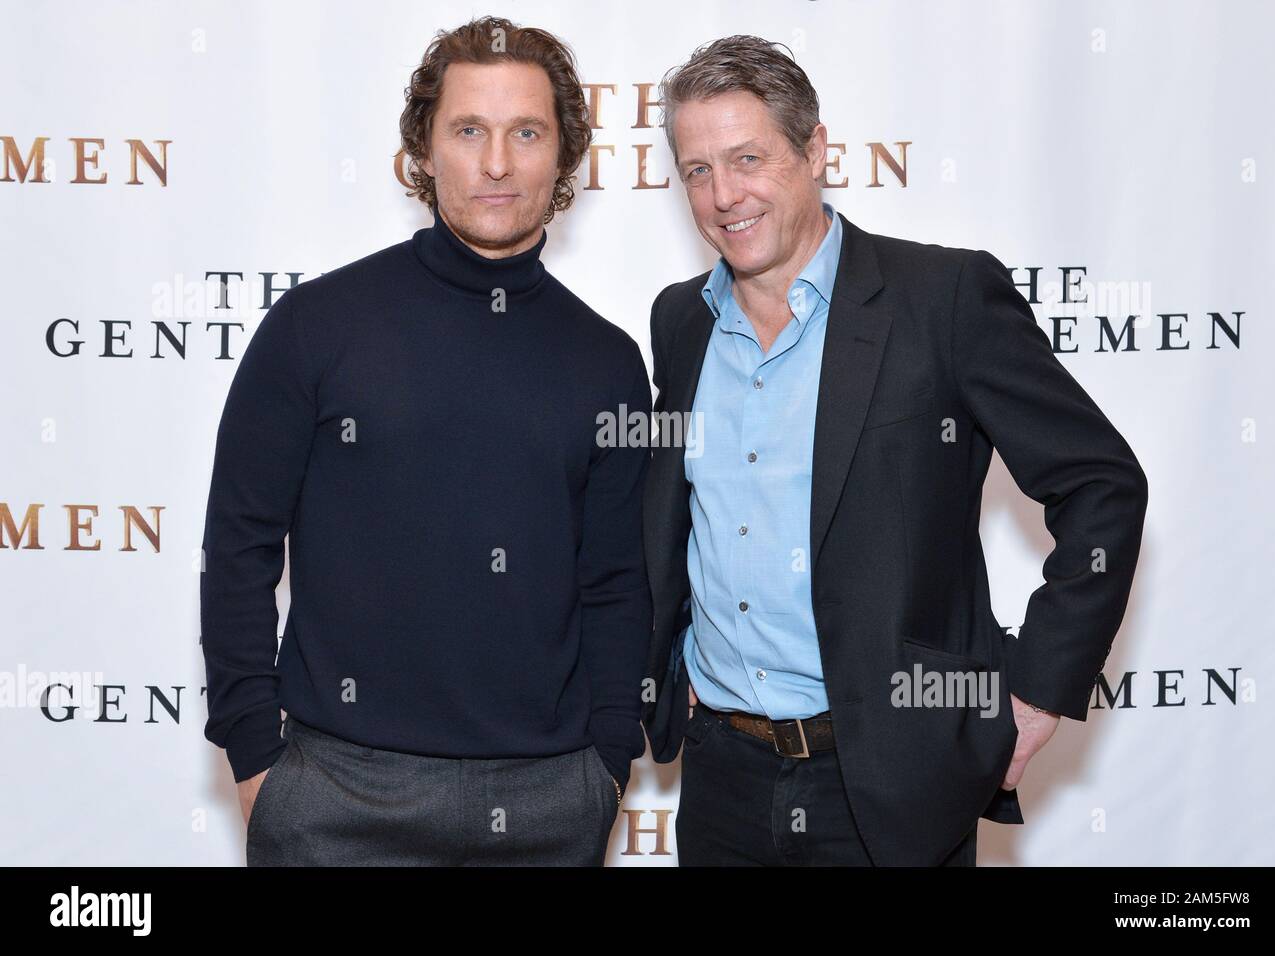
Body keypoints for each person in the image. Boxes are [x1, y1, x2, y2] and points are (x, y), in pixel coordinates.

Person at [640, 35, 1148, 866]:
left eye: (748, 158)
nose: (723, 194)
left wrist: (1038, 690)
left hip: (886, 783)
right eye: (697, 169)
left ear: (815, 151)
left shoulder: (940, 299)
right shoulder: (682, 320)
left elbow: (1102, 484)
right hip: (721, 776)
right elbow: (676, 516)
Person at [200, 16, 650, 865]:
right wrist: (258, 755)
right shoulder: (317, 326)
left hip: (551, 801)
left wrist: (608, 763)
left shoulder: (608, 362)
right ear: (423, 149)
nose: (495, 162)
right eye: (468, 130)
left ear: (563, 157)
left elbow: (617, 582)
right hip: (333, 796)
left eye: (527, 132)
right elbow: (239, 545)